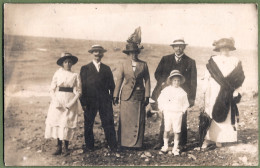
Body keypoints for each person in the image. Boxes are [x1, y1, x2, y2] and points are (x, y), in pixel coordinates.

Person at [152, 38, 197, 149]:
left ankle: (182, 143)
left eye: (181, 46)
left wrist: (191, 98)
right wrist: (164, 83)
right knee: (165, 117)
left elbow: (193, 82)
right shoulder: (165, 59)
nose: (178, 48)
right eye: (176, 46)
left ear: (184, 47)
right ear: (173, 47)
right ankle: (161, 142)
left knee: (182, 118)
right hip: (168, 93)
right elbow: (157, 74)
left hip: (182, 95)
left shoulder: (190, 61)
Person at [201, 38, 245, 148]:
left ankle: (221, 139)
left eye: (227, 47)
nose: (225, 49)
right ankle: (209, 139)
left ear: (230, 48)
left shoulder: (235, 60)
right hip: (214, 90)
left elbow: (239, 78)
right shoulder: (213, 60)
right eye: (223, 47)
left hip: (228, 91)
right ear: (219, 48)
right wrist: (205, 88)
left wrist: (237, 90)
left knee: (227, 113)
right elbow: (207, 76)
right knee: (211, 111)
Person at [80, 45, 117, 152]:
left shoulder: (107, 68)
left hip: (105, 101)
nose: (97, 54)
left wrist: (112, 98)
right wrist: (83, 102)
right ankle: (89, 146)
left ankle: (112, 145)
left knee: (108, 123)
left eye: (99, 52)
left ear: (102, 54)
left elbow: (112, 86)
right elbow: (81, 87)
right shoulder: (85, 68)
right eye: (95, 52)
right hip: (90, 101)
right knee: (88, 123)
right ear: (92, 53)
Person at [113, 42, 150, 149]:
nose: (133, 55)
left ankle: (137, 144)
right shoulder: (123, 64)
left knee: (138, 119)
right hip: (126, 96)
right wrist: (115, 95)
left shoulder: (144, 64)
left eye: (135, 52)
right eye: (130, 53)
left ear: (137, 52)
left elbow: (147, 81)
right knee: (125, 119)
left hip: (139, 95)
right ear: (128, 53)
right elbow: (119, 80)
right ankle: (124, 143)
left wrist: (147, 95)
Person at [45, 52, 82, 156]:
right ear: (62, 63)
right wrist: (55, 101)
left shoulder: (75, 75)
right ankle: (59, 147)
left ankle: (66, 147)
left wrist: (71, 103)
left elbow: (79, 91)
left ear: (72, 64)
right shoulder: (57, 73)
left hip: (70, 101)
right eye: (66, 62)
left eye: (70, 62)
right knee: (57, 122)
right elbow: (51, 89)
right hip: (58, 100)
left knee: (67, 123)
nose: (68, 64)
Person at [158, 70, 190, 156]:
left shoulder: (182, 92)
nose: (176, 82)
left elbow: (186, 104)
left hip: (177, 114)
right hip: (168, 113)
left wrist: (182, 111)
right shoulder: (166, 90)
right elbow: (160, 100)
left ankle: (175, 148)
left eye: (178, 80)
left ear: (180, 81)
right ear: (171, 81)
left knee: (177, 131)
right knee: (167, 129)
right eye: (175, 80)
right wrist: (162, 109)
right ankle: (165, 146)